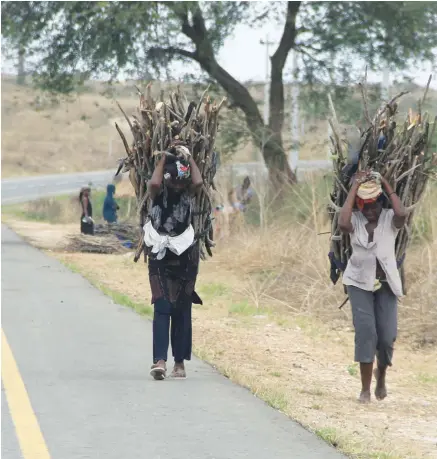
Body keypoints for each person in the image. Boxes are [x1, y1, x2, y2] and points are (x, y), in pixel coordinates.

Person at [339, 170, 407, 404]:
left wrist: (386, 184)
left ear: (381, 202)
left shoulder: (389, 219)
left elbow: (402, 212)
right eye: (365, 206)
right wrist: (353, 189)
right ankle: (365, 389)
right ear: (359, 205)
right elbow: (342, 222)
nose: (371, 211)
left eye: (375, 205)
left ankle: (382, 377)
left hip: (386, 283)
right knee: (366, 332)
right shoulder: (355, 219)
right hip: (358, 282)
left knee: (387, 337)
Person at [144, 145, 203, 380]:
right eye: (175, 181)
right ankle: (160, 361)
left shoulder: (189, 194)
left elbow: (198, 183)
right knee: (161, 306)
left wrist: (190, 158)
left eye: (182, 181)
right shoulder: (157, 194)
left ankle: (179, 362)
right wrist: (163, 159)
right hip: (159, 256)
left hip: (186, 257)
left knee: (181, 308)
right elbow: (154, 184)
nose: (178, 185)